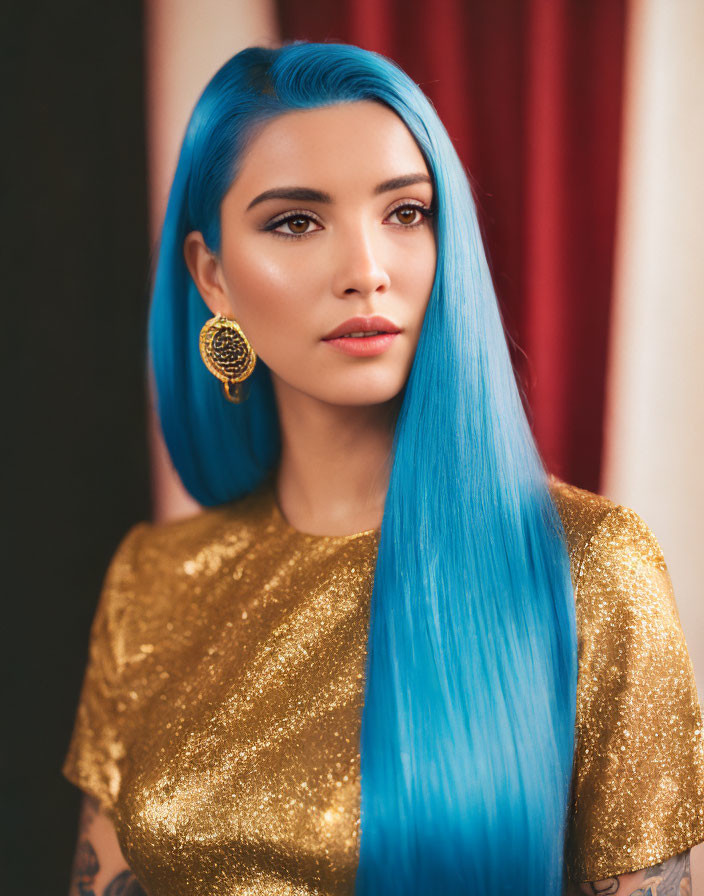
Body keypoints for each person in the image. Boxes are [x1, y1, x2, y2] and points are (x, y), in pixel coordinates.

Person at [62, 41, 704, 896]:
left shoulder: (589, 567)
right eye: (297, 221)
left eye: (405, 213)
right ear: (212, 275)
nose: (366, 272)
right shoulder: (153, 583)